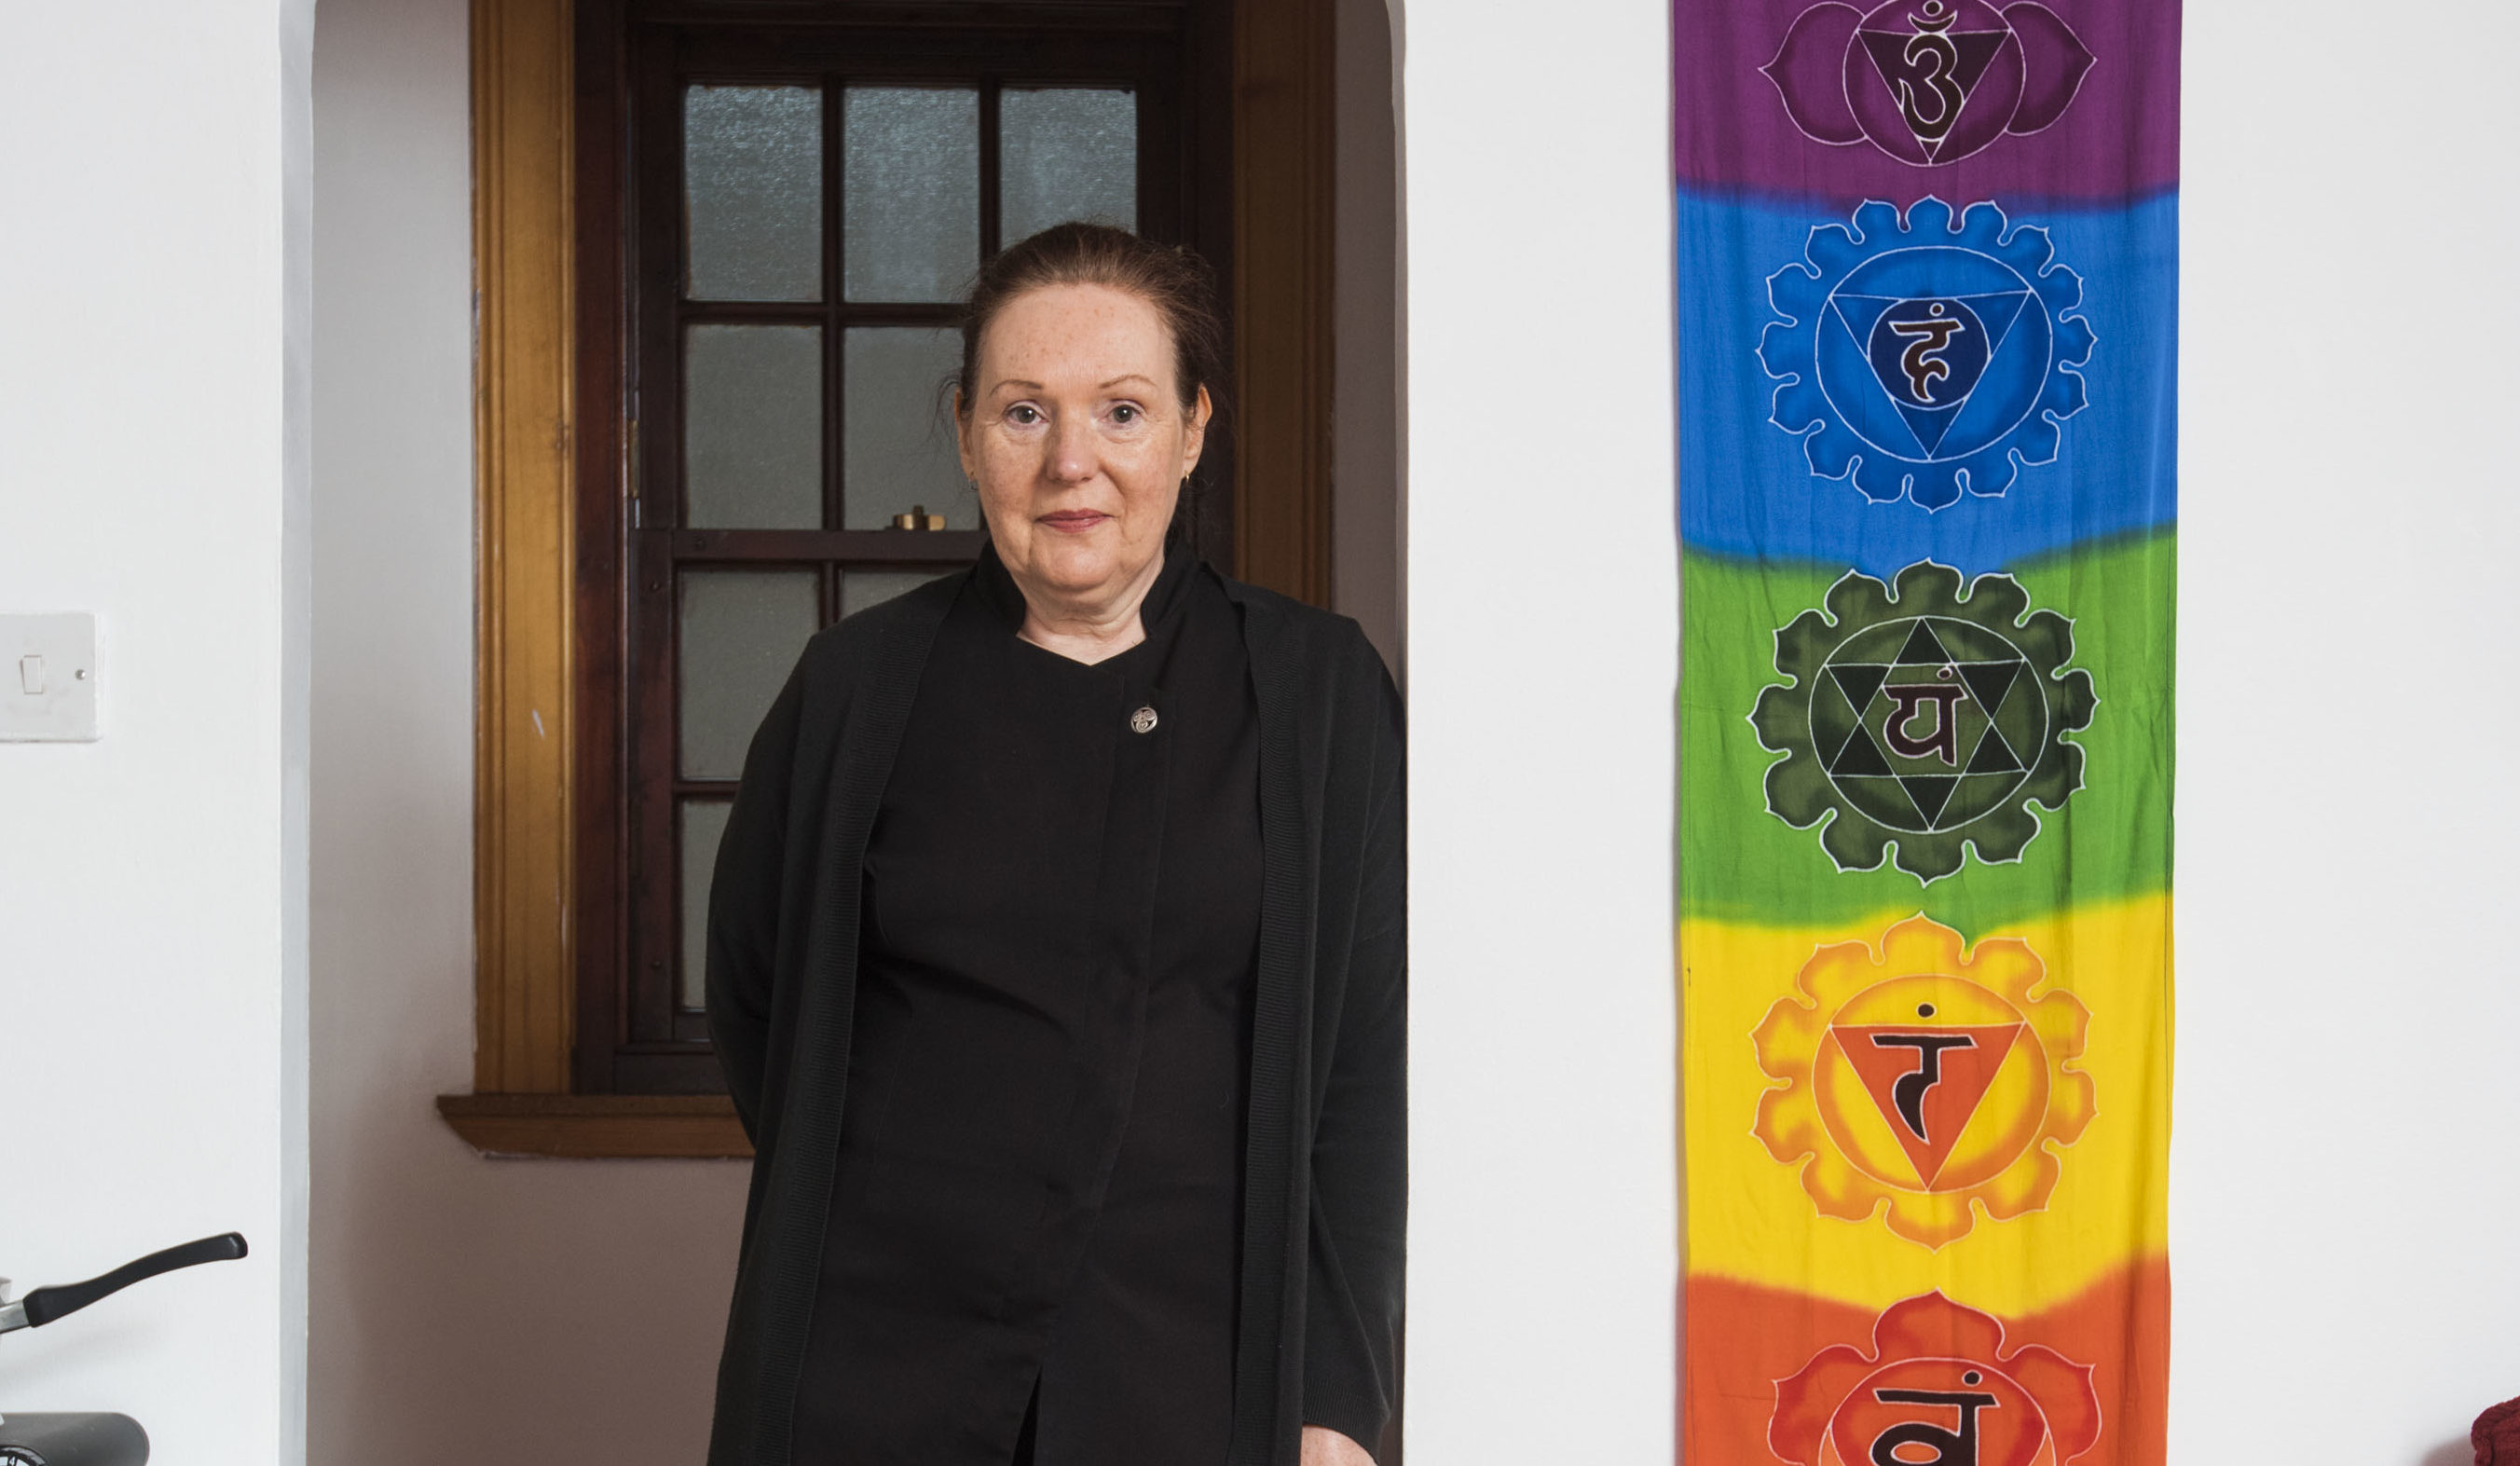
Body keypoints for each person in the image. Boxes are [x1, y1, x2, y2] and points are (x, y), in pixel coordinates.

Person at [702, 223, 1405, 1466]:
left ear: (1193, 429)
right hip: (873, 1365)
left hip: (1194, 1373)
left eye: (1121, 411)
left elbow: (1363, 1067)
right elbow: (763, 1002)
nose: (1073, 461)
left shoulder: (1318, 692)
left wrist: (1340, 1402)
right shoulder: (855, 689)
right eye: (1026, 413)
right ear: (969, 431)